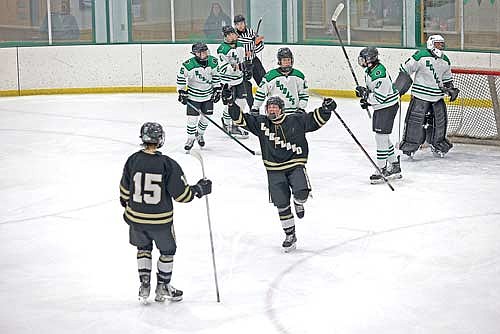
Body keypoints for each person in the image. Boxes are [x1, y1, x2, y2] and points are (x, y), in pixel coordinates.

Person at [228, 95, 336, 252]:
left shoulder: (295, 120)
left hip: (295, 164)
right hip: (274, 170)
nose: (271, 109)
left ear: (281, 109)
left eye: (274, 107)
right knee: (282, 205)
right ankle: (290, 235)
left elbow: (314, 120)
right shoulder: (261, 123)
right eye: (269, 107)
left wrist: (326, 109)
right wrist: (231, 104)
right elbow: (241, 119)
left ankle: (298, 202)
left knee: (302, 193)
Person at [119, 122, 212, 303]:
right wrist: (199, 189)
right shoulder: (167, 164)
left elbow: (124, 192)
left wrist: (132, 210)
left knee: (143, 248)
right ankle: (163, 285)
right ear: (160, 140)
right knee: (167, 251)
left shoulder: (132, 160)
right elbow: (183, 196)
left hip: (136, 220)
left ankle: (144, 284)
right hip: (160, 221)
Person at [394, 34, 459, 158]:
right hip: (420, 96)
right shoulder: (421, 55)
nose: (440, 46)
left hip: (437, 97)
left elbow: (446, 79)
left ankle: (438, 144)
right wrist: (400, 86)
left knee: (440, 123)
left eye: (441, 44)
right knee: (415, 122)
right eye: (437, 44)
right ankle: (410, 145)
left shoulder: (445, 60)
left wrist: (450, 89)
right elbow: (406, 69)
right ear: (430, 44)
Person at [355, 47, 402, 184]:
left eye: (363, 59)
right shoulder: (371, 70)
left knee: (381, 137)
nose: (361, 61)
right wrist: (366, 99)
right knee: (382, 137)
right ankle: (394, 166)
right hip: (382, 107)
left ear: (370, 60)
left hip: (386, 107)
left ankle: (381, 168)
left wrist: (366, 96)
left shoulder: (379, 74)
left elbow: (380, 97)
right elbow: (374, 92)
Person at [176, 42, 221, 152]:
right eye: (202, 52)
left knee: (206, 119)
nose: (205, 53)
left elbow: (216, 76)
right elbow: (181, 78)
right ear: (196, 54)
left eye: (206, 51)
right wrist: (182, 92)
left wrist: (217, 89)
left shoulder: (213, 61)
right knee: (192, 120)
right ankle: (190, 139)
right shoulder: (188, 65)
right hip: (193, 97)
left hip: (208, 96)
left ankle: (199, 134)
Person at [251, 47, 309, 115]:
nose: (287, 62)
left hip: (294, 114)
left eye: (288, 60)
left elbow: (304, 94)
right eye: (284, 60)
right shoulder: (270, 76)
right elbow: (261, 93)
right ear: (279, 61)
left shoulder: (299, 76)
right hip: (275, 113)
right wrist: (255, 107)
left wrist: (301, 108)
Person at [217, 25, 250, 138]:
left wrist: (246, 69)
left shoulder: (240, 44)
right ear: (226, 36)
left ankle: (236, 123)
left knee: (242, 102)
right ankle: (226, 124)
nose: (233, 36)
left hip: (239, 80)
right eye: (230, 34)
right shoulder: (222, 49)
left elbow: (242, 60)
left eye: (234, 33)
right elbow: (223, 68)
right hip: (227, 82)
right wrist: (239, 67)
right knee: (230, 105)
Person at [233, 14, 266, 107]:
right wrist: (252, 42)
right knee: (246, 87)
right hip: (242, 64)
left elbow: (261, 47)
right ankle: (252, 108)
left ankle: (272, 103)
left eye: (242, 23)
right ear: (235, 25)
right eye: (237, 24)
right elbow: (241, 41)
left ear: (245, 23)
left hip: (254, 60)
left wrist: (254, 48)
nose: (240, 25)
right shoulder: (234, 35)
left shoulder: (252, 32)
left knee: (264, 81)